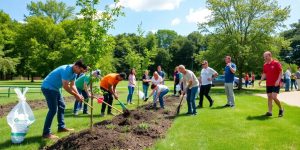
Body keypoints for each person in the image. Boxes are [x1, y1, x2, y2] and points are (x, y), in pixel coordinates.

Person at [41, 60, 87, 139]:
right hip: (48, 87)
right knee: (53, 110)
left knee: (62, 106)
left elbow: (73, 85)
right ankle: (46, 133)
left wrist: (79, 95)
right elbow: (65, 86)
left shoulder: (74, 73)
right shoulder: (66, 70)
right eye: (80, 70)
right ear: (76, 66)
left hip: (55, 88)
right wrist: (76, 95)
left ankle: (61, 127)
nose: (80, 73)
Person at [258, 51, 284, 117]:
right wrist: (261, 80)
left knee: (274, 97)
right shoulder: (265, 65)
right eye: (264, 57)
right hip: (268, 84)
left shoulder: (276, 63)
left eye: (266, 56)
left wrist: (278, 80)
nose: (265, 58)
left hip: (275, 83)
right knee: (269, 97)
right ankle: (270, 112)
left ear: (270, 55)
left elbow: (281, 72)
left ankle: (281, 109)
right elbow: (264, 73)